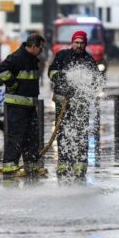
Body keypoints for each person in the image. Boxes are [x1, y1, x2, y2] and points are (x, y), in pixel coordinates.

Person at [48, 30, 103, 177]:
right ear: (72, 43)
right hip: (62, 102)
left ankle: (80, 164)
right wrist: (61, 78)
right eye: (76, 42)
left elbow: (96, 80)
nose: (79, 45)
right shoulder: (62, 55)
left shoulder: (89, 60)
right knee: (62, 132)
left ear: (85, 44)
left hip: (80, 103)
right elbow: (51, 71)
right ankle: (63, 163)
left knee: (81, 133)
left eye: (81, 43)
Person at [0, 34, 47, 177]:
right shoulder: (18, 57)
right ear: (33, 46)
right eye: (41, 48)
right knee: (17, 136)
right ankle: (10, 167)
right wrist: (12, 83)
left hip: (29, 106)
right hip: (17, 106)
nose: (41, 51)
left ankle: (31, 166)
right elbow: (0, 69)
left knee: (31, 136)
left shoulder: (31, 59)